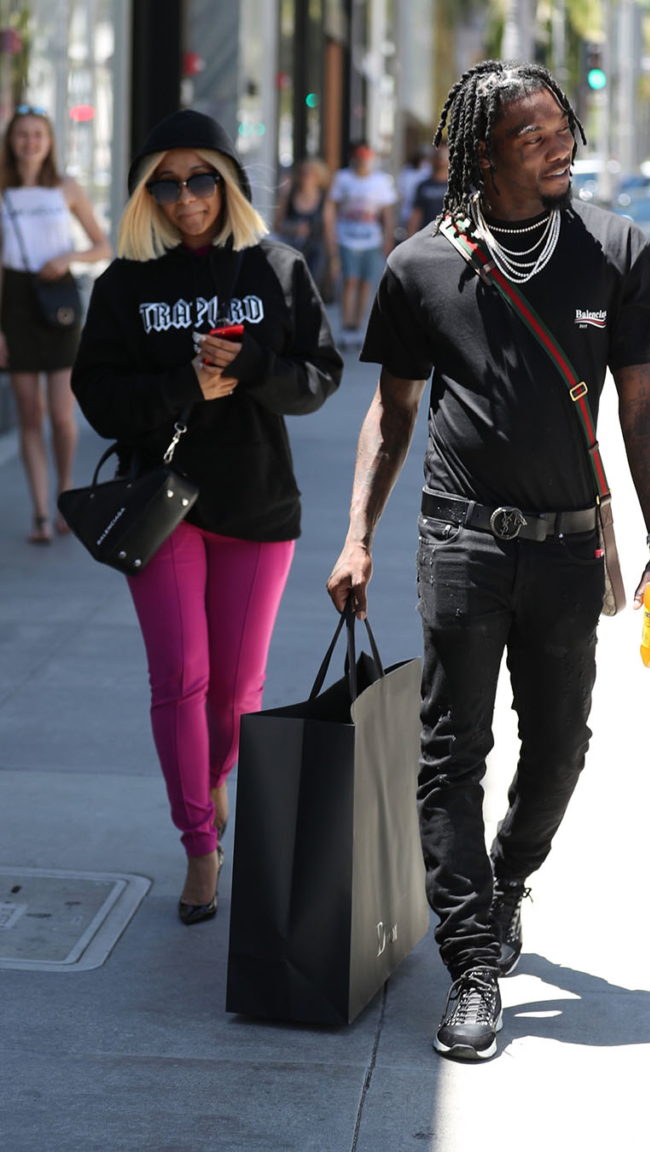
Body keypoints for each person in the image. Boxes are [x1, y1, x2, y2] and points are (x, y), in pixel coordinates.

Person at [327, 61, 650, 1059]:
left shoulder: (616, 251)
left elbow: (642, 405)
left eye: (563, 130)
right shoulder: (419, 268)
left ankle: (508, 878)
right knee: (453, 752)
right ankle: (472, 967)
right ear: (482, 153)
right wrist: (358, 532)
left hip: (571, 546)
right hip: (460, 539)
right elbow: (394, 410)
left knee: (561, 745)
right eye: (536, 136)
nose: (561, 147)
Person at [71, 109, 342, 926]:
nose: (186, 197)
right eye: (167, 182)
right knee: (179, 678)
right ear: (146, 193)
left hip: (257, 499)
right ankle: (199, 843)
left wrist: (253, 365)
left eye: (200, 179)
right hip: (163, 505)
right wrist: (184, 388)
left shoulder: (277, 267)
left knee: (235, 691)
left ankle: (211, 781)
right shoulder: (126, 283)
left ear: (226, 179)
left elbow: (319, 378)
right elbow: (98, 396)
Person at [0, 103, 111, 543]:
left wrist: (69, 256)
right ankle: (41, 513)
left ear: (49, 142)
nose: (29, 142)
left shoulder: (65, 188)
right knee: (29, 411)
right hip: (16, 301)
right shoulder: (3, 190)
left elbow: (102, 245)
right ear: (11, 141)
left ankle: (66, 495)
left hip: (58, 297)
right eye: (22, 134)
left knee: (62, 414)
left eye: (37, 135)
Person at [327, 142, 397, 348]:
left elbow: (387, 213)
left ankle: (358, 327)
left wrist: (388, 240)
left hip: (371, 239)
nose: (363, 161)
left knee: (366, 284)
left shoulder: (381, 181)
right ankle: (347, 327)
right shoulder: (343, 178)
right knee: (349, 281)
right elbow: (332, 207)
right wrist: (331, 239)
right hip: (347, 238)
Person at [272, 157, 337, 289]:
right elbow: (277, 225)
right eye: (303, 173)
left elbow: (329, 231)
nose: (305, 178)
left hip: (315, 252)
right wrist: (293, 229)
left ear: (318, 178)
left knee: (310, 289)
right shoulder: (289, 196)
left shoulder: (324, 200)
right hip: (292, 250)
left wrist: (334, 258)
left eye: (310, 174)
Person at [406, 141, 449, 237]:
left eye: (445, 154)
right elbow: (416, 216)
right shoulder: (423, 186)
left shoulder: (458, 187)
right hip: (427, 239)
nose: (441, 158)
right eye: (438, 154)